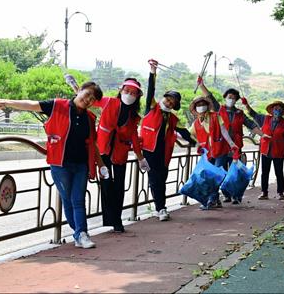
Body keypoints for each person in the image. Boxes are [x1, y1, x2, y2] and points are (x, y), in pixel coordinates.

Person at [0, 82, 106, 249]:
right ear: (79, 91)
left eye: (92, 99)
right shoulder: (57, 106)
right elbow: (31, 105)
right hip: (60, 164)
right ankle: (78, 233)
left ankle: (82, 233)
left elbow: (92, 143)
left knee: (78, 200)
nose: (88, 100)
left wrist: (101, 164)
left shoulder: (89, 118)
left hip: (81, 165)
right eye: (87, 94)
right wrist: (8, 102)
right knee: (68, 200)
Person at [90, 78, 149, 233]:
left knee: (119, 186)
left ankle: (117, 220)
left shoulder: (134, 116)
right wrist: (75, 86)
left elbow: (134, 138)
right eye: (127, 91)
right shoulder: (109, 102)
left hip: (120, 153)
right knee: (107, 184)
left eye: (133, 93)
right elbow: (87, 99)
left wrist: (140, 157)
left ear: (137, 96)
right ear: (121, 91)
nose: (129, 94)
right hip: (103, 151)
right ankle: (111, 219)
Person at [142, 60, 195, 221]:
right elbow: (150, 91)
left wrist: (196, 143)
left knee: (161, 180)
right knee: (155, 180)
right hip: (149, 151)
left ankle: (160, 208)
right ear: (164, 98)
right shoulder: (152, 108)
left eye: (172, 103)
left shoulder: (173, 118)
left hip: (164, 153)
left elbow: (184, 133)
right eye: (168, 99)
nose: (169, 102)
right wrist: (152, 72)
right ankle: (161, 208)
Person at [196, 78, 265, 203]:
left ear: (236, 100)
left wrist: (263, 135)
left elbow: (251, 125)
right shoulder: (218, 109)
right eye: (229, 97)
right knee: (220, 171)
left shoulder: (240, 113)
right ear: (225, 97)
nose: (231, 99)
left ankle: (235, 195)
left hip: (236, 147)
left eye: (233, 97)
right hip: (221, 147)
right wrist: (201, 85)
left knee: (235, 173)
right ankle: (224, 195)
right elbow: (209, 96)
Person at [187, 96, 238, 209]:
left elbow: (223, 130)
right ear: (195, 108)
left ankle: (212, 200)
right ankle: (215, 199)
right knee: (210, 176)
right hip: (208, 153)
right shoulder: (196, 123)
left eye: (202, 104)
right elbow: (188, 135)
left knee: (215, 175)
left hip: (220, 150)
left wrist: (231, 144)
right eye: (198, 105)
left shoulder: (215, 116)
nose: (201, 107)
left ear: (207, 106)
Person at [242, 98, 284, 200]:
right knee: (265, 172)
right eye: (275, 108)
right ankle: (264, 193)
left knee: (279, 172)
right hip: (266, 150)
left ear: (282, 112)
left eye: (279, 109)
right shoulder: (264, 119)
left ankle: (280, 193)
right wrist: (246, 105)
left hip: (278, 151)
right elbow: (253, 114)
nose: (277, 111)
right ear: (272, 110)